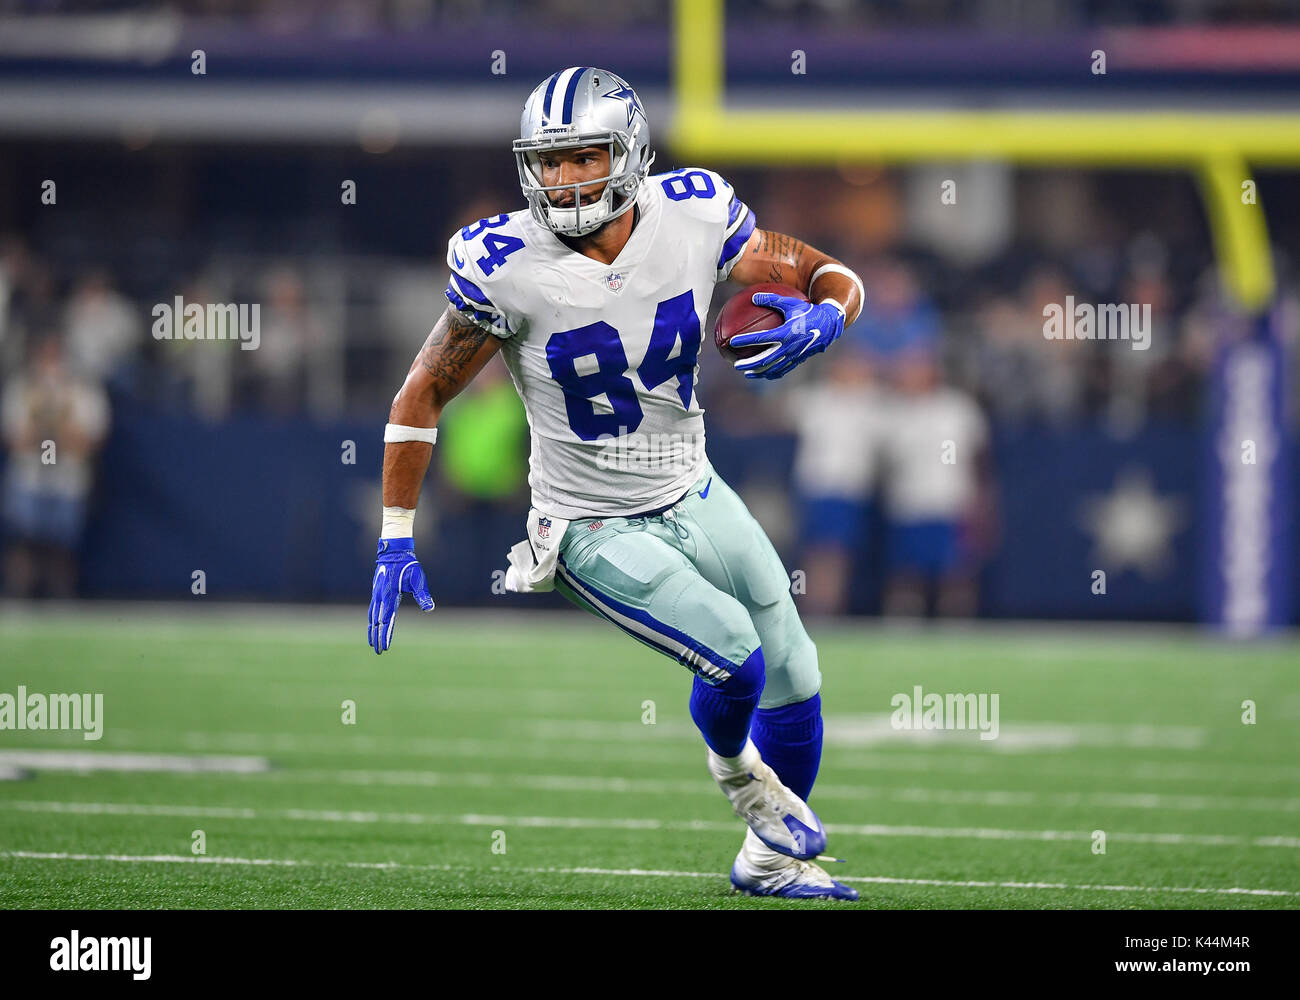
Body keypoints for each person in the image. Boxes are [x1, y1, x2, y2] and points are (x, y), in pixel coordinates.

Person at [366, 68, 864, 900]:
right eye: (548, 162)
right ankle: (747, 785)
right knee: (735, 660)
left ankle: (768, 860)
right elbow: (422, 391)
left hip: (691, 483)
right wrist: (393, 537)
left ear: (630, 152)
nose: (562, 180)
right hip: (591, 523)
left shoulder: (696, 212)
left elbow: (826, 274)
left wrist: (826, 319)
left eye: (583, 156)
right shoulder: (505, 261)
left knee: (794, 668)